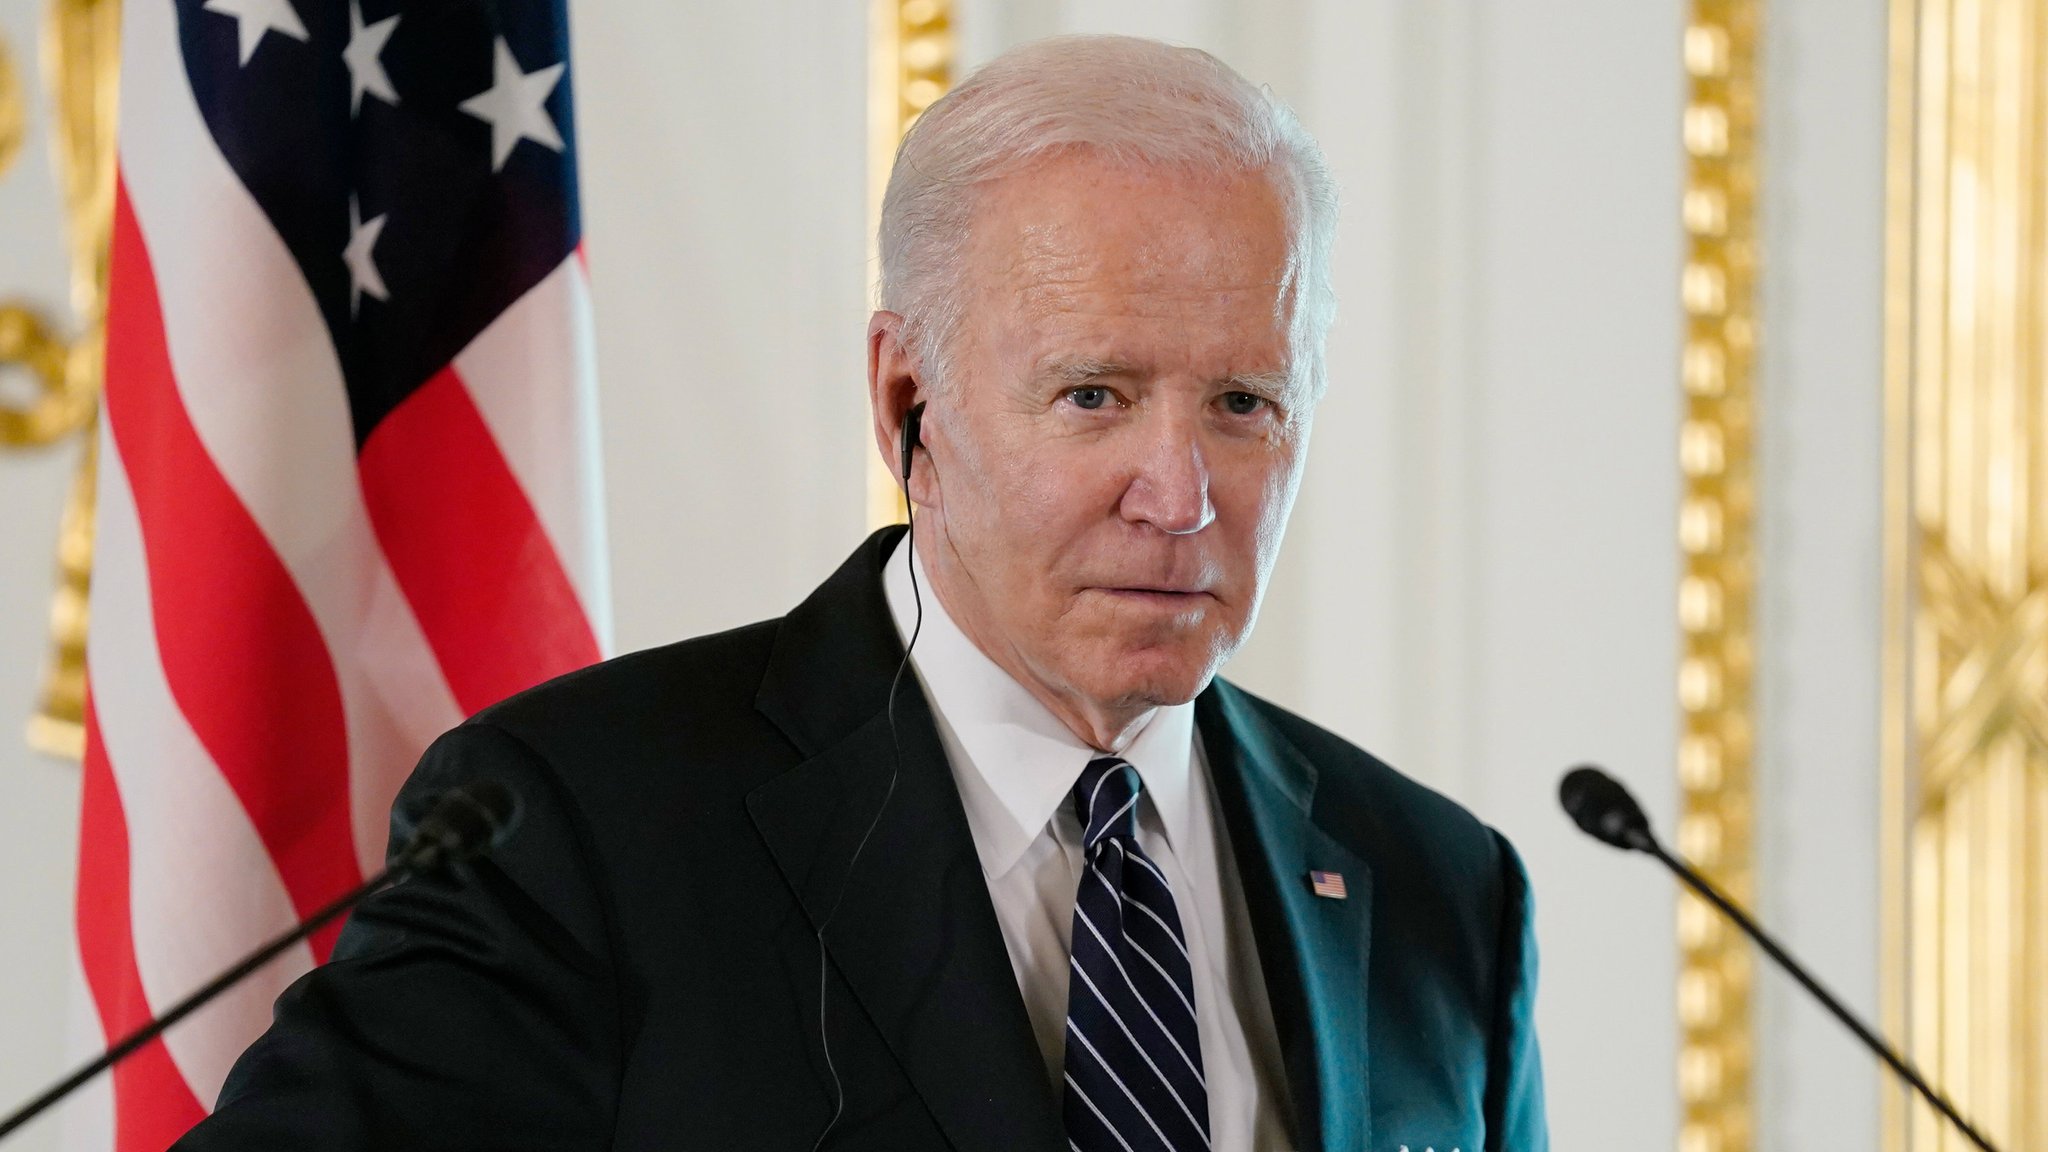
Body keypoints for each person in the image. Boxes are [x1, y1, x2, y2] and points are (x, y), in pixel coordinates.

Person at [176, 34, 1546, 1152]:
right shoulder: (584, 833)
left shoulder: (1440, 891)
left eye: (1245, 403)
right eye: (1093, 396)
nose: (1180, 494)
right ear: (911, 402)